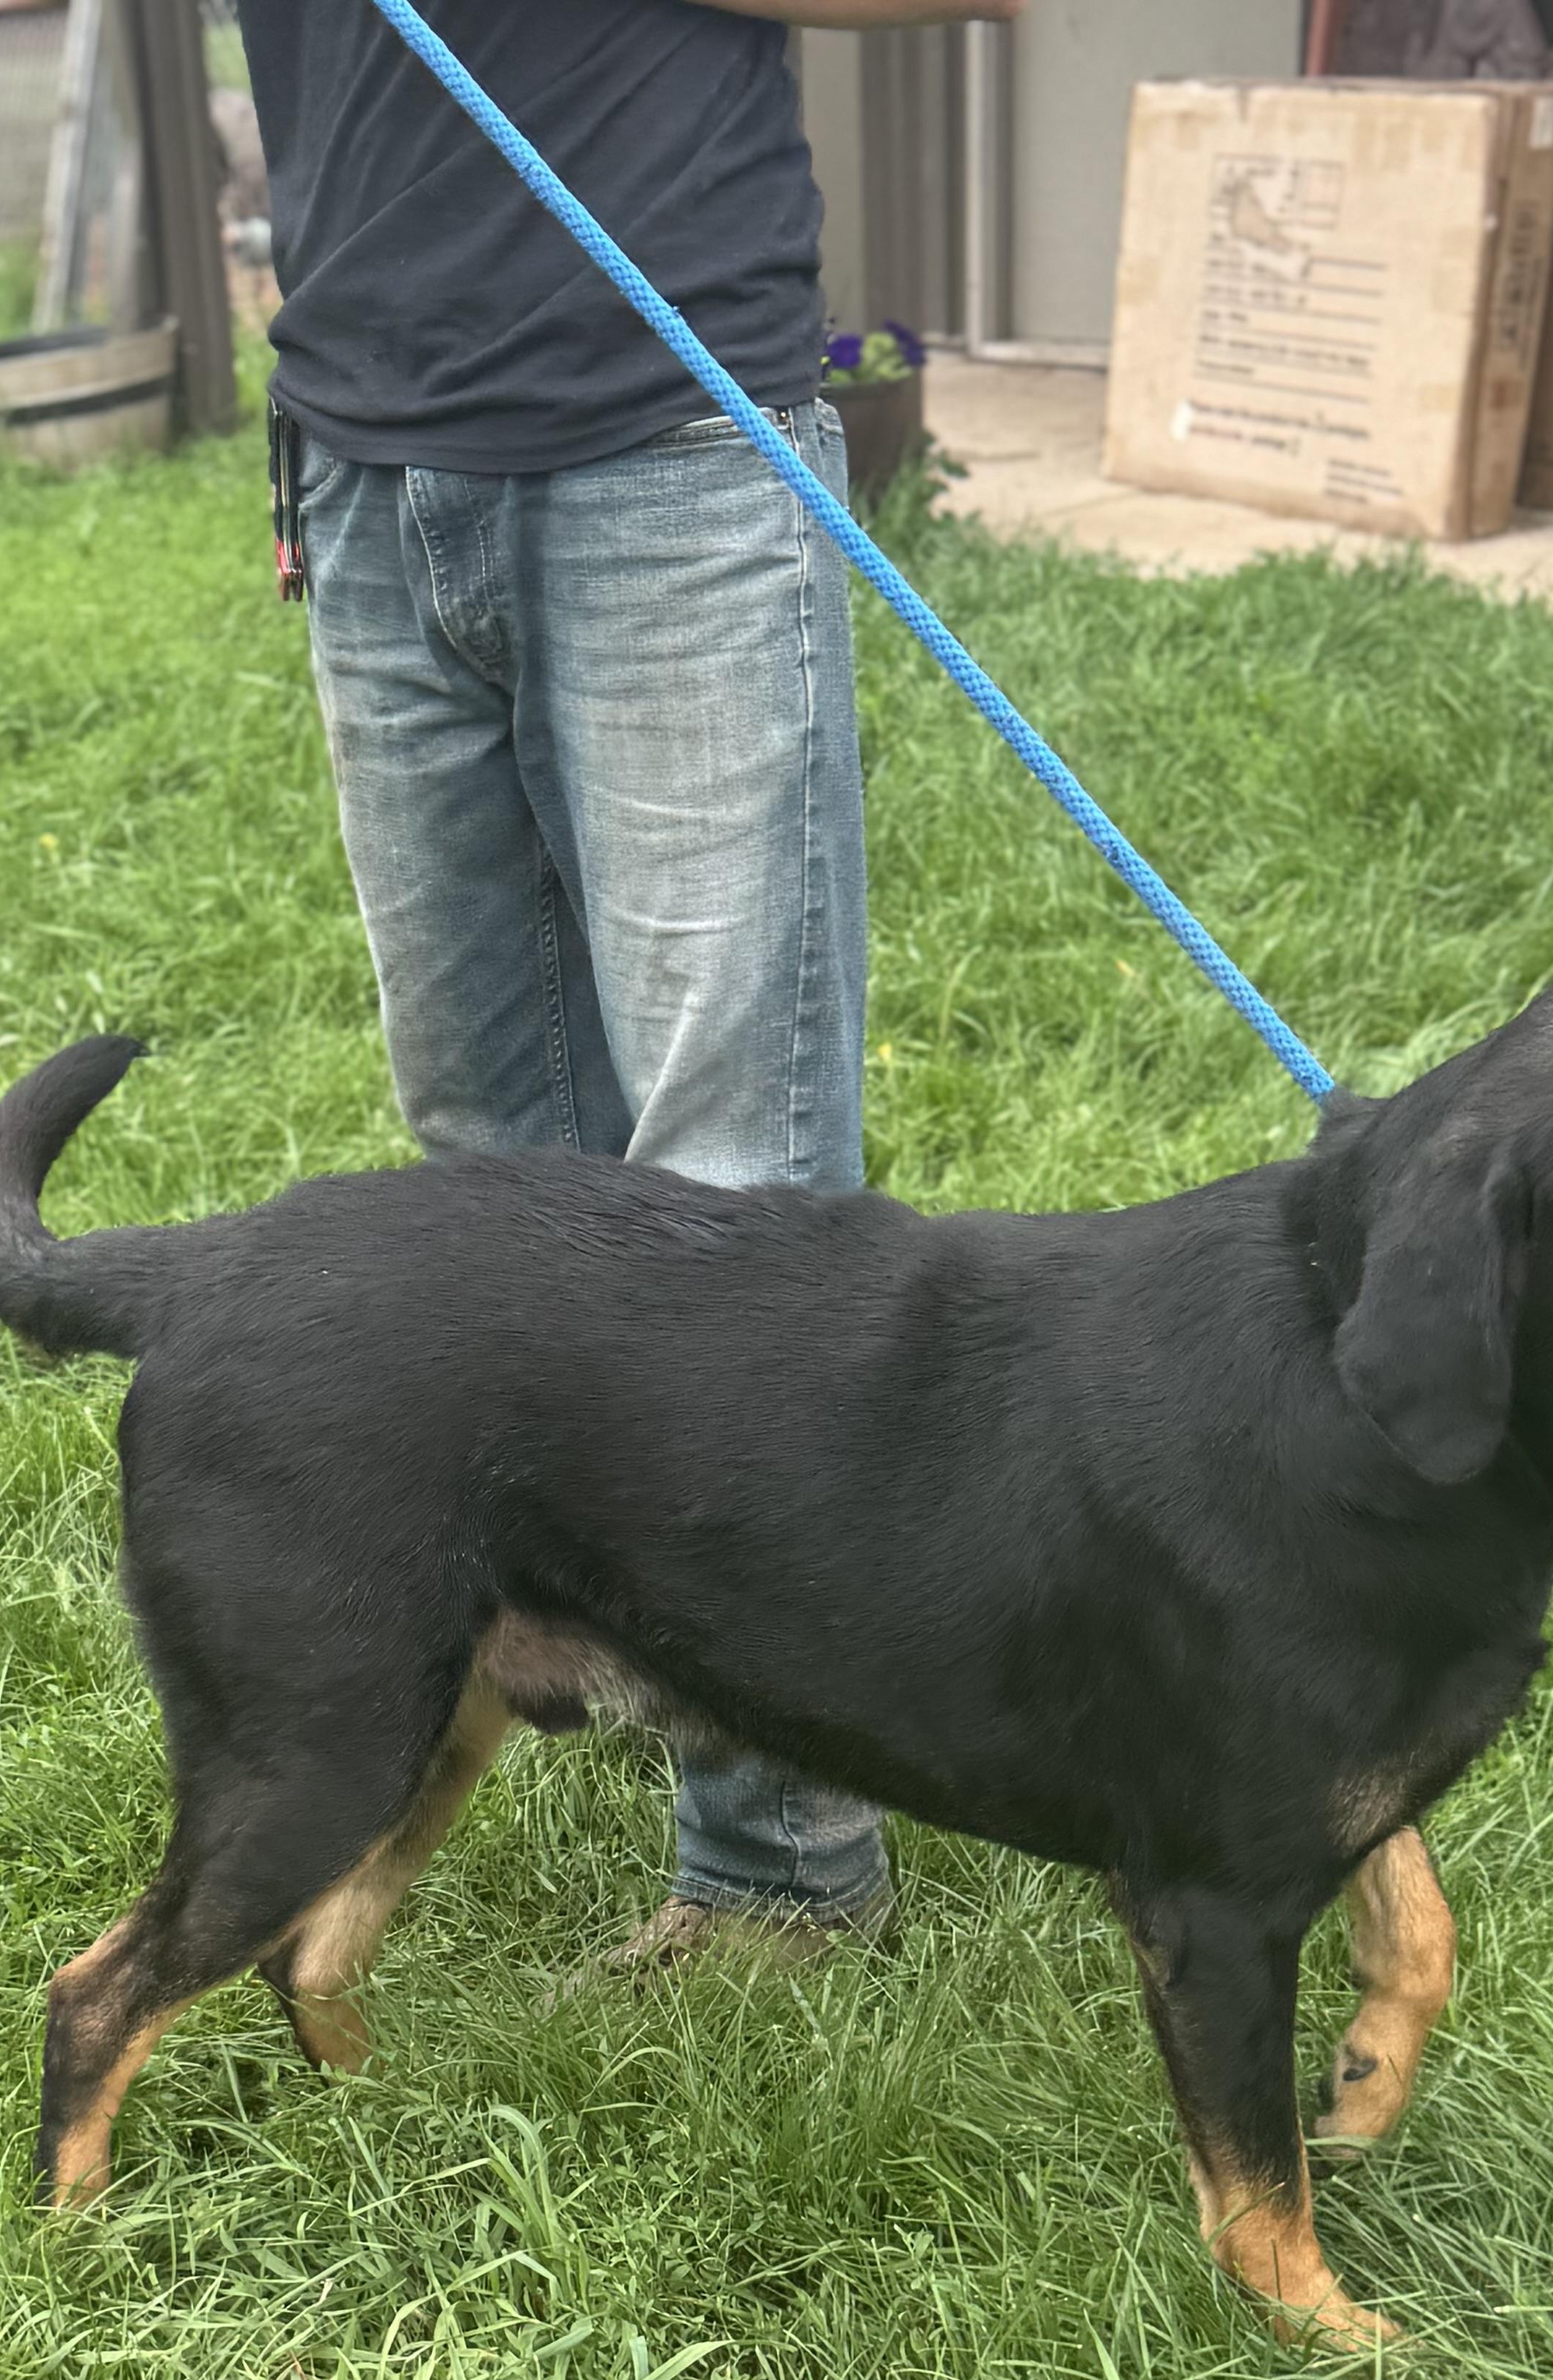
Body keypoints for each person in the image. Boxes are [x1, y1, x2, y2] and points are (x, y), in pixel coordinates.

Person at [236, 0, 1022, 1971]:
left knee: (731, 1197)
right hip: (366, 453)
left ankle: (781, 1868)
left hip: (666, 454)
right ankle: (548, 1679)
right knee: (487, 1184)